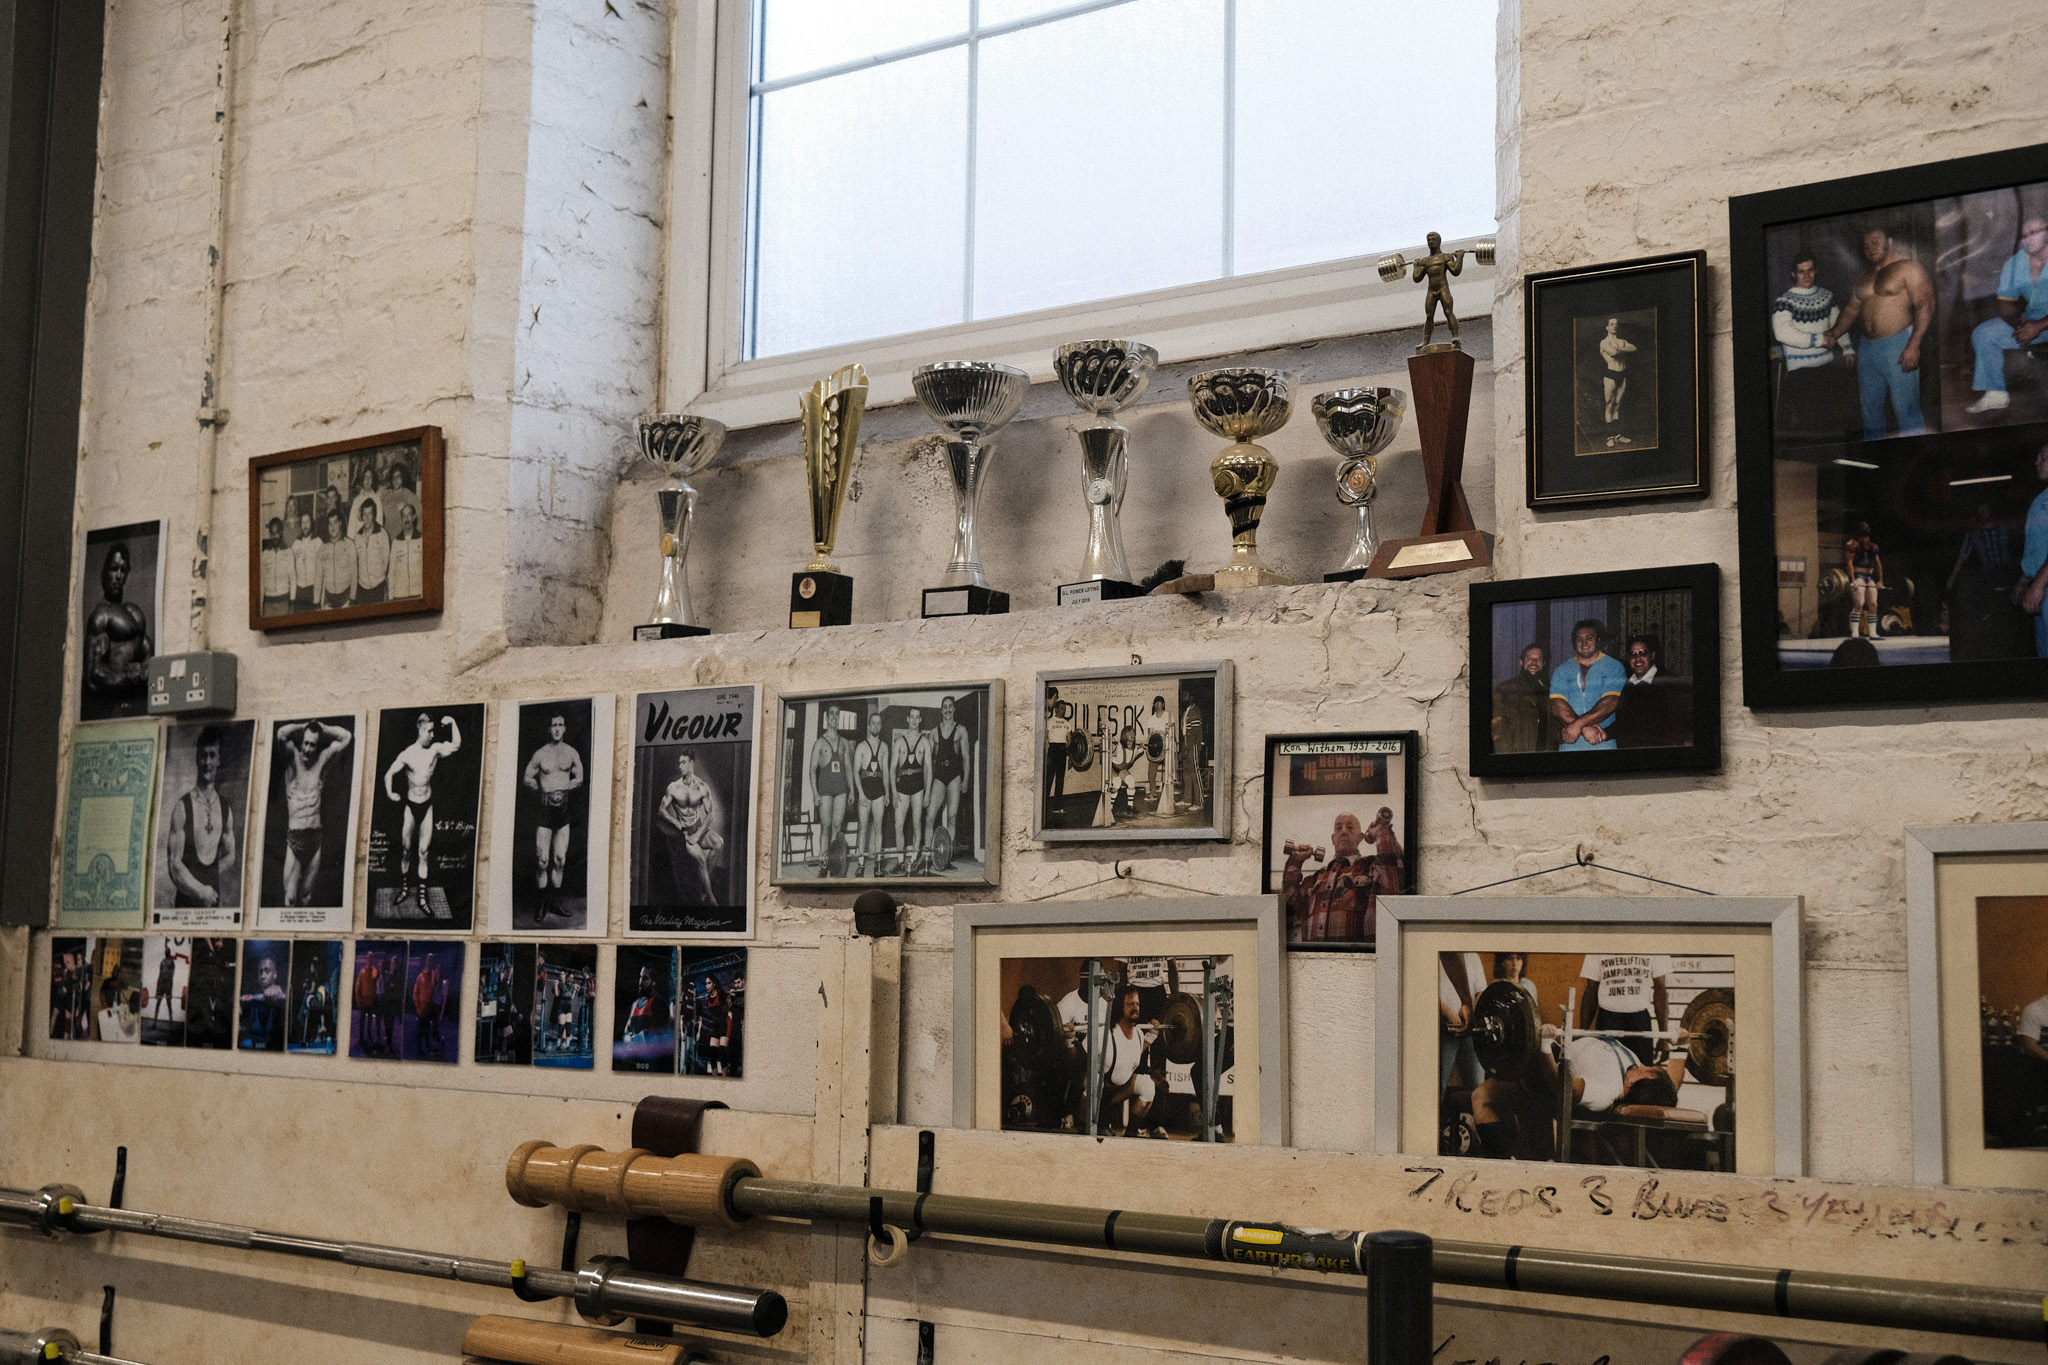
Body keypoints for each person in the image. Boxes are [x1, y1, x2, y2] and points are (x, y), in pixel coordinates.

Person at [1470, 1028, 1684, 1161]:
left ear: (1638, 1083)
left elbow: (1560, 1086)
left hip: (1545, 1074)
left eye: (1646, 1069)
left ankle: (1498, 1164)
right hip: (1552, 1055)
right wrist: (1683, 1044)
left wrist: (1545, 1044)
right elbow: (1672, 1082)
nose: (1642, 1064)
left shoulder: (1606, 1091)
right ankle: (1506, 1156)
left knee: (1481, 1098)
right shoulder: (1651, 1083)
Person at [1822, 227, 1934, 440]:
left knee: (1906, 410)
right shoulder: (1863, 277)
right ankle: (1876, 461)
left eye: (1875, 241)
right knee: (1870, 412)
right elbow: (1851, 309)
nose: (1870, 248)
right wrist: (1834, 333)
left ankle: (1920, 463)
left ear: (1890, 241)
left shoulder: (1908, 267)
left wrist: (1913, 345)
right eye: (1866, 245)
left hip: (1898, 344)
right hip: (1867, 349)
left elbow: (1926, 305)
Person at [1967, 217, 2048, 416]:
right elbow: (2006, 306)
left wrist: (2038, 326)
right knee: (1984, 334)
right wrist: (2021, 326)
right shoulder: (2015, 264)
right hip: (2032, 320)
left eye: (2034, 232)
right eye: (2024, 235)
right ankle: (1996, 393)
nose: (2027, 239)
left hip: (2042, 323)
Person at [1772, 252, 1854, 438]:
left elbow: (1838, 324)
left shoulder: (1827, 296)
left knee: (1833, 424)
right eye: (1801, 271)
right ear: (1793, 274)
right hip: (1800, 374)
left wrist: (1847, 347)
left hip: (1828, 368)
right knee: (1808, 428)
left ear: (1816, 271)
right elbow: (1782, 333)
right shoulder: (1784, 301)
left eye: (1810, 270)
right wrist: (1818, 340)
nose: (1806, 275)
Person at [384, 712, 462, 909]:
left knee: (424, 852)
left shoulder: (435, 749)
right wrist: (390, 793)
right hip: (411, 807)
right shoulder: (408, 754)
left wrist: (452, 722)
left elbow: (456, 745)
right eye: (429, 731)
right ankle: (404, 890)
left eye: (433, 730)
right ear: (420, 730)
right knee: (406, 850)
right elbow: (388, 774)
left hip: (427, 806)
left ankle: (421, 898)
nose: (433, 734)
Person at [276, 719, 352, 907]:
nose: (308, 749)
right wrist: (303, 726)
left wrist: (324, 728)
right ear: (301, 742)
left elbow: (346, 737)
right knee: (291, 898)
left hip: (315, 840)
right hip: (295, 839)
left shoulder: (322, 761)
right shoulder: (293, 759)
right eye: (306, 743)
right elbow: (282, 734)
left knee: (307, 897)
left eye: (313, 745)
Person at [165, 725, 238, 909]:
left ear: (219, 760)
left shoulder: (224, 808)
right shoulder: (182, 807)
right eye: (203, 755)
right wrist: (201, 890)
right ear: (197, 759)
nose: (207, 762)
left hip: (212, 902)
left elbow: (230, 855)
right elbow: (174, 866)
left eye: (212, 755)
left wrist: (210, 874)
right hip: (186, 906)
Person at [523, 713, 586, 920]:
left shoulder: (571, 753)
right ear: (549, 729)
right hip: (545, 811)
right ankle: (542, 903)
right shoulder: (541, 754)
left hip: (563, 812)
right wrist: (542, 789)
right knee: (542, 860)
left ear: (565, 728)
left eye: (560, 724)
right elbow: (527, 778)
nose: (557, 728)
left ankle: (555, 902)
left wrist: (564, 788)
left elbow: (580, 776)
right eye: (553, 725)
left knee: (560, 859)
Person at [1280, 811, 1377, 944]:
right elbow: (1289, 907)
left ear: (1360, 837)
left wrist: (1380, 834)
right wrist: (1296, 860)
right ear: (1333, 838)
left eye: (1350, 827)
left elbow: (1393, 867)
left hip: (1355, 960)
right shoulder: (1314, 879)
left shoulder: (1371, 867)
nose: (1343, 831)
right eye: (1338, 828)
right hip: (1313, 960)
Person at [1946, 503, 2025, 662]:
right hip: (1988, 574)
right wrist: (1952, 578)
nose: (1983, 513)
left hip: (2006, 572)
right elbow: (1963, 556)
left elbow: (2026, 538)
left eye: (1985, 510)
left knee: (2009, 606)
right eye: (1980, 510)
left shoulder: (2005, 528)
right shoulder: (1973, 534)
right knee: (1991, 607)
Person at [83, 541, 151, 714]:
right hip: (114, 708)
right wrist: (129, 677)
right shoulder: (101, 615)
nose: (118, 576)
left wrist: (145, 668)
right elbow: (93, 675)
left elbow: (148, 654)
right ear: (104, 572)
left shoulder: (133, 610)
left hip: (138, 705)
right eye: (114, 569)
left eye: (123, 570)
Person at [1576, 954, 1671, 1067]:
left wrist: (1663, 1036)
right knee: (1607, 1073)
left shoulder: (1653, 942)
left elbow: (1660, 990)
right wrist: (1582, 1032)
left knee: (1642, 1076)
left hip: (1640, 1022)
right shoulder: (1598, 941)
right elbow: (1591, 990)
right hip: (1608, 1020)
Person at [1096, 984, 1164, 1138]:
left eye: (1137, 1004)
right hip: (1096, 1095)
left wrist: (1152, 1036)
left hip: (1117, 1090)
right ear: (1120, 1006)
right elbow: (1078, 1060)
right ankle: (1095, 1125)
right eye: (1130, 1004)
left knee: (1147, 1085)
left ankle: (1131, 1134)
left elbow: (1132, 1054)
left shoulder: (1139, 1034)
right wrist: (1069, 1040)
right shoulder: (1104, 1033)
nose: (1136, 1008)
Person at [656, 749, 722, 904]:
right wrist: (678, 824)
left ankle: (703, 886)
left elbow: (711, 814)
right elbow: (661, 810)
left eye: (683, 762)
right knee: (701, 859)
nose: (680, 766)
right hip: (684, 832)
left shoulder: (702, 787)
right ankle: (710, 898)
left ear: (692, 764)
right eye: (679, 762)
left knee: (719, 843)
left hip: (698, 828)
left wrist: (697, 835)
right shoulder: (674, 787)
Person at [1550, 619, 1624, 751]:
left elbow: (1610, 702)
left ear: (1599, 640)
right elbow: (1557, 705)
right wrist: (1584, 728)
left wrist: (1578, 725)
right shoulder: (1562, 670)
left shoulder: (1614, 666)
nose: (1584, 643)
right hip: (1570, 743)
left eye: (1589, 638)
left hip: (1602, 741)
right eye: (1579, 639)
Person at [1613, 633, 1691, 749]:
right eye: (1633, 654)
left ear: (1652, 655)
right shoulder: (1626, 685)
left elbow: (1679, 725)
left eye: (1643, 653)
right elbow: (1621, 722)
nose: (1637, 659)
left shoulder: (1668, 682)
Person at [927, 695, 970, 865]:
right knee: (930, 817)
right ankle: (928, 856)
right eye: (944, 706)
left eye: (950, 706)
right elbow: (928, 762)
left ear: (954, 709)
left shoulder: (961, 730)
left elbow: (966, 757)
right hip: (939, 777)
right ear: (941, 710)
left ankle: (947, 857)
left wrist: (966, 779)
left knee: (952, 816)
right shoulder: (933, 733)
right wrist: (927, 782)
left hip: (954, 776)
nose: (947, 709)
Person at [2015, 442, 2048, 658]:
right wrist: (2025, 580)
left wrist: (2037, 586)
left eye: (2043, 457)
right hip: (2042, 592)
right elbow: (2038, 549)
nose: (2037, 461)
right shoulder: (2041, 500)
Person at [890, 706, 932, 874]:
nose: (914, 720)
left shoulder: (925, 742)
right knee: (898, 825)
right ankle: (901, 860)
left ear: (920, 720)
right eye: (912, 717)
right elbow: (892, 768)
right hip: (901, 788)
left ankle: (913, 860)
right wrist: (893, 791)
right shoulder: (899, 742)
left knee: (916, 824)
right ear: (907, 719)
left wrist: (928, 792)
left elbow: (928, 769)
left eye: (917, 717)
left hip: (918, 788)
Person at [809, 710, 853, 871]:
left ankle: (834, 862)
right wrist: (815, 793)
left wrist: (852, 791)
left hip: (841, 790)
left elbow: (848, 769)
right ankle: (823, 861)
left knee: (837, 826)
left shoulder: (844, 743)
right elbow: (812, 769)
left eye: (837, 714)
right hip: (825, 790)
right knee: (825, 826)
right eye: (831, 714)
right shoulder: (820, 742)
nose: (834, 717)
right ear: (826, 717)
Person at [1491, 643, 1554, 753]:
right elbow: (1497, 730)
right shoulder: (1505, 689)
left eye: (1538, 659)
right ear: (1521, 662)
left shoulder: (1549, 691)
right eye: (1529, 658)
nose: (1534, 662)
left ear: (1543, 663)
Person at [1439, 951, 1487, 1095]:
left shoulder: (1473, 956)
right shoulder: (1437, 954)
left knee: (1478, 1086)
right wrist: (1449, 1015)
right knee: (1437, 1086)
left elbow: (1481, 991)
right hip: (1442, 1029)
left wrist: (1473, 1013)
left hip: (1470, 1031)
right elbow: (1427, 991)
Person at [853, 709, 889, 879]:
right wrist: (860, 793)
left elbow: (887, 772)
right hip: (865, 791)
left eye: (878, 723)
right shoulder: (861, 746)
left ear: (881, 726)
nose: (875, 726)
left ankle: (878, 863)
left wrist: (888, 792)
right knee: (863, 828)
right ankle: (860, 865)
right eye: (873, 722)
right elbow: (855, 773)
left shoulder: (884, 747)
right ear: (869, 726)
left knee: (878, 828)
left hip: (879, 792)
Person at [1596, 317, 1639, 446]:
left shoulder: (1621, 341)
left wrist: (1620, 348)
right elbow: (1613, 353)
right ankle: (1610, 437)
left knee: (1618, 404)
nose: (1614, 326)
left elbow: (1635, 349)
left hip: (1623, 374)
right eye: (1611, 324)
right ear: (1607, 327)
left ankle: (1618, 435)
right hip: (1610, 374)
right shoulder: (1603, 342)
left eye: (1616, 324)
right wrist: (1623, 348)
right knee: (1609, 404)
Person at [1844, 521, 1885, 639]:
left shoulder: (1873, 547)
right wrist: (1853, 580)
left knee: (1873, 604)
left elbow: (1878, 563)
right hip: (1858, 576)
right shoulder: (1853, 544)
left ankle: (1873, 633)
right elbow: (1849, 562)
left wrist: (1880, 581)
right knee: (1859, 603)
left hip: (1869, 576)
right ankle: (1855, 633)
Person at [240, 951, 286, 1049]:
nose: (262, 976)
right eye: (260, 972)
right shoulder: (252, 1001)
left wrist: (281, 1001)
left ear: (275, 975)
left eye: (267, 971)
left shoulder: (282, 996)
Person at [353, 497, 391, 604]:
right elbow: (356, 562)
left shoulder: (382, 534)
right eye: (364, 514)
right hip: (362, 589)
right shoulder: (357, 537)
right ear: (361, 516)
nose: (367, 517)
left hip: (378, 587)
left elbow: (386, 561)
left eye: (370, 513)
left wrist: (379, 577)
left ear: (374, 515)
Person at [1104, 722, 1143, 823]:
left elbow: (1141, 750)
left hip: (1122, 769)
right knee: (1117, 782)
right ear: (1125, 735)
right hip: (1112, 767)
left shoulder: (1135, 749)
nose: (1133, 735)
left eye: (1134, 733)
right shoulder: (1118, 746)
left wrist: (1144, 747)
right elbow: (1110, 748)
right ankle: (1110, 808)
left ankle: (1130, 807)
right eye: (1130, 733)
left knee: (1131, 781)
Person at [1141, 695, 1173, 814]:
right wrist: (1150, 749)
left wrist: (1171, 748)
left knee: (1169, 773)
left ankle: (1169, 796)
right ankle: (1153, 794)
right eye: (1156, 703)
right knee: (1151, 773)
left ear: (1163, 704)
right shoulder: (1151, 719)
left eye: (1160, 703)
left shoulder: (1169, 716)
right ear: (1154, 705)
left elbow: (1172, 732)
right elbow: (1150, 736)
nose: (1157, 705)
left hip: (1167, 748)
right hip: (1155, 749)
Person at [319, 509, 354, 609]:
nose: (332, 527)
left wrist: (353, 598)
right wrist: (317, 601)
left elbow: (354, 574)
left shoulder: (349, 544)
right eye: (330, 523)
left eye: (335, 522)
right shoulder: (323, 548)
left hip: (346, 600)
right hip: (328, 601)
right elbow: (318, 577)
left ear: (340, 523)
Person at [1176, 695, 1205, 813]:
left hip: (1193, 745)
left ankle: (1199, 802)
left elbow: (1194, 732)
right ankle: (1187, 799)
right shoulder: (1186, 711)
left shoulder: (1195, 711)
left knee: (1194, 773)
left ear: (1192, 697)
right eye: (1184, 695)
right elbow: (1184, 733)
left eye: (1187, 696)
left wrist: (1189, 748)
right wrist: (1183, 748)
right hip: (1187, 744)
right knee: (1186, 773)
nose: (1184, 698)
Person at [388, 502, 423, 600]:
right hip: (399, 596)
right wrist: (391, 597)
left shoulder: (422, 539)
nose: (406, 519)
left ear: (414, 517)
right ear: (401, 519)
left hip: (418, 594)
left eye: (409, 515)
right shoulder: (396, 542)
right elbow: (391, 572)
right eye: (404, 516)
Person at [411, 951, 444, 1053]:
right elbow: (415, 994)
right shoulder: (420, 977)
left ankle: (428, 1046)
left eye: (432, 960)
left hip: (430, 1009)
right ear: (426, 961)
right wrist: (418, 1007)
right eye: (429, 960)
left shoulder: (434, 976)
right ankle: (420, 1049)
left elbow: (437, 992)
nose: (430, 962)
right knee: (420, 1031)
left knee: (427, 1030)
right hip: (421, 1010)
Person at [1043, 688, 1069, 813]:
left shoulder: (1067, 723)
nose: (1063, 711)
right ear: (1056, 709)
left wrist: (1070, 758)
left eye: (1065, 709)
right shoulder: (1048, 722)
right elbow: (1044, 739)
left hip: (1063, 751)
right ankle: (1044, 806)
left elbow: (1069, 741)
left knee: (1060, 780)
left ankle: (1057, 807)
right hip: (1053, 750)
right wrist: (1046, 755)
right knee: (1048, 779)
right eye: (1062, 708)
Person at [260, 518, 292, 617]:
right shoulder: (264, 554)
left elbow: (293, 578)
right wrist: (261, 605)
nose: (274, 536)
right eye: (272, 533)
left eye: (277, 533)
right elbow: (262, 581)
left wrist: (292, 602)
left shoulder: (288, 552)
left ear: (281, 532)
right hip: (268, 603)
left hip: (284, 603)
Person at [290, 511, 321, 613]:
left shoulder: (318, 542)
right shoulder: (295, 543)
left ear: (311, 523)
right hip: (300, 590)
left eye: (307, 522)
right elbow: (291, 569)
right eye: (303, 522)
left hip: (313, 589)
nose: (305, 525)